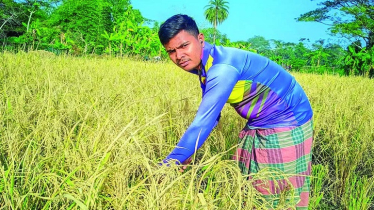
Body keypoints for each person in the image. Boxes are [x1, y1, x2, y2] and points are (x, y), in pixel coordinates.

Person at [158, 14, 313, 209]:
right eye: (171, 51)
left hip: (287, 120)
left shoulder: (222, 69)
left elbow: (203, 122)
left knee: (278, 194)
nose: (178, 56)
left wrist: (167, 165)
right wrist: (187, 153)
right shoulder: (205, 63)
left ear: (200, 39)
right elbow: (212, 115)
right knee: (253, 188)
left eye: (183, 46)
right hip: (259, 121)